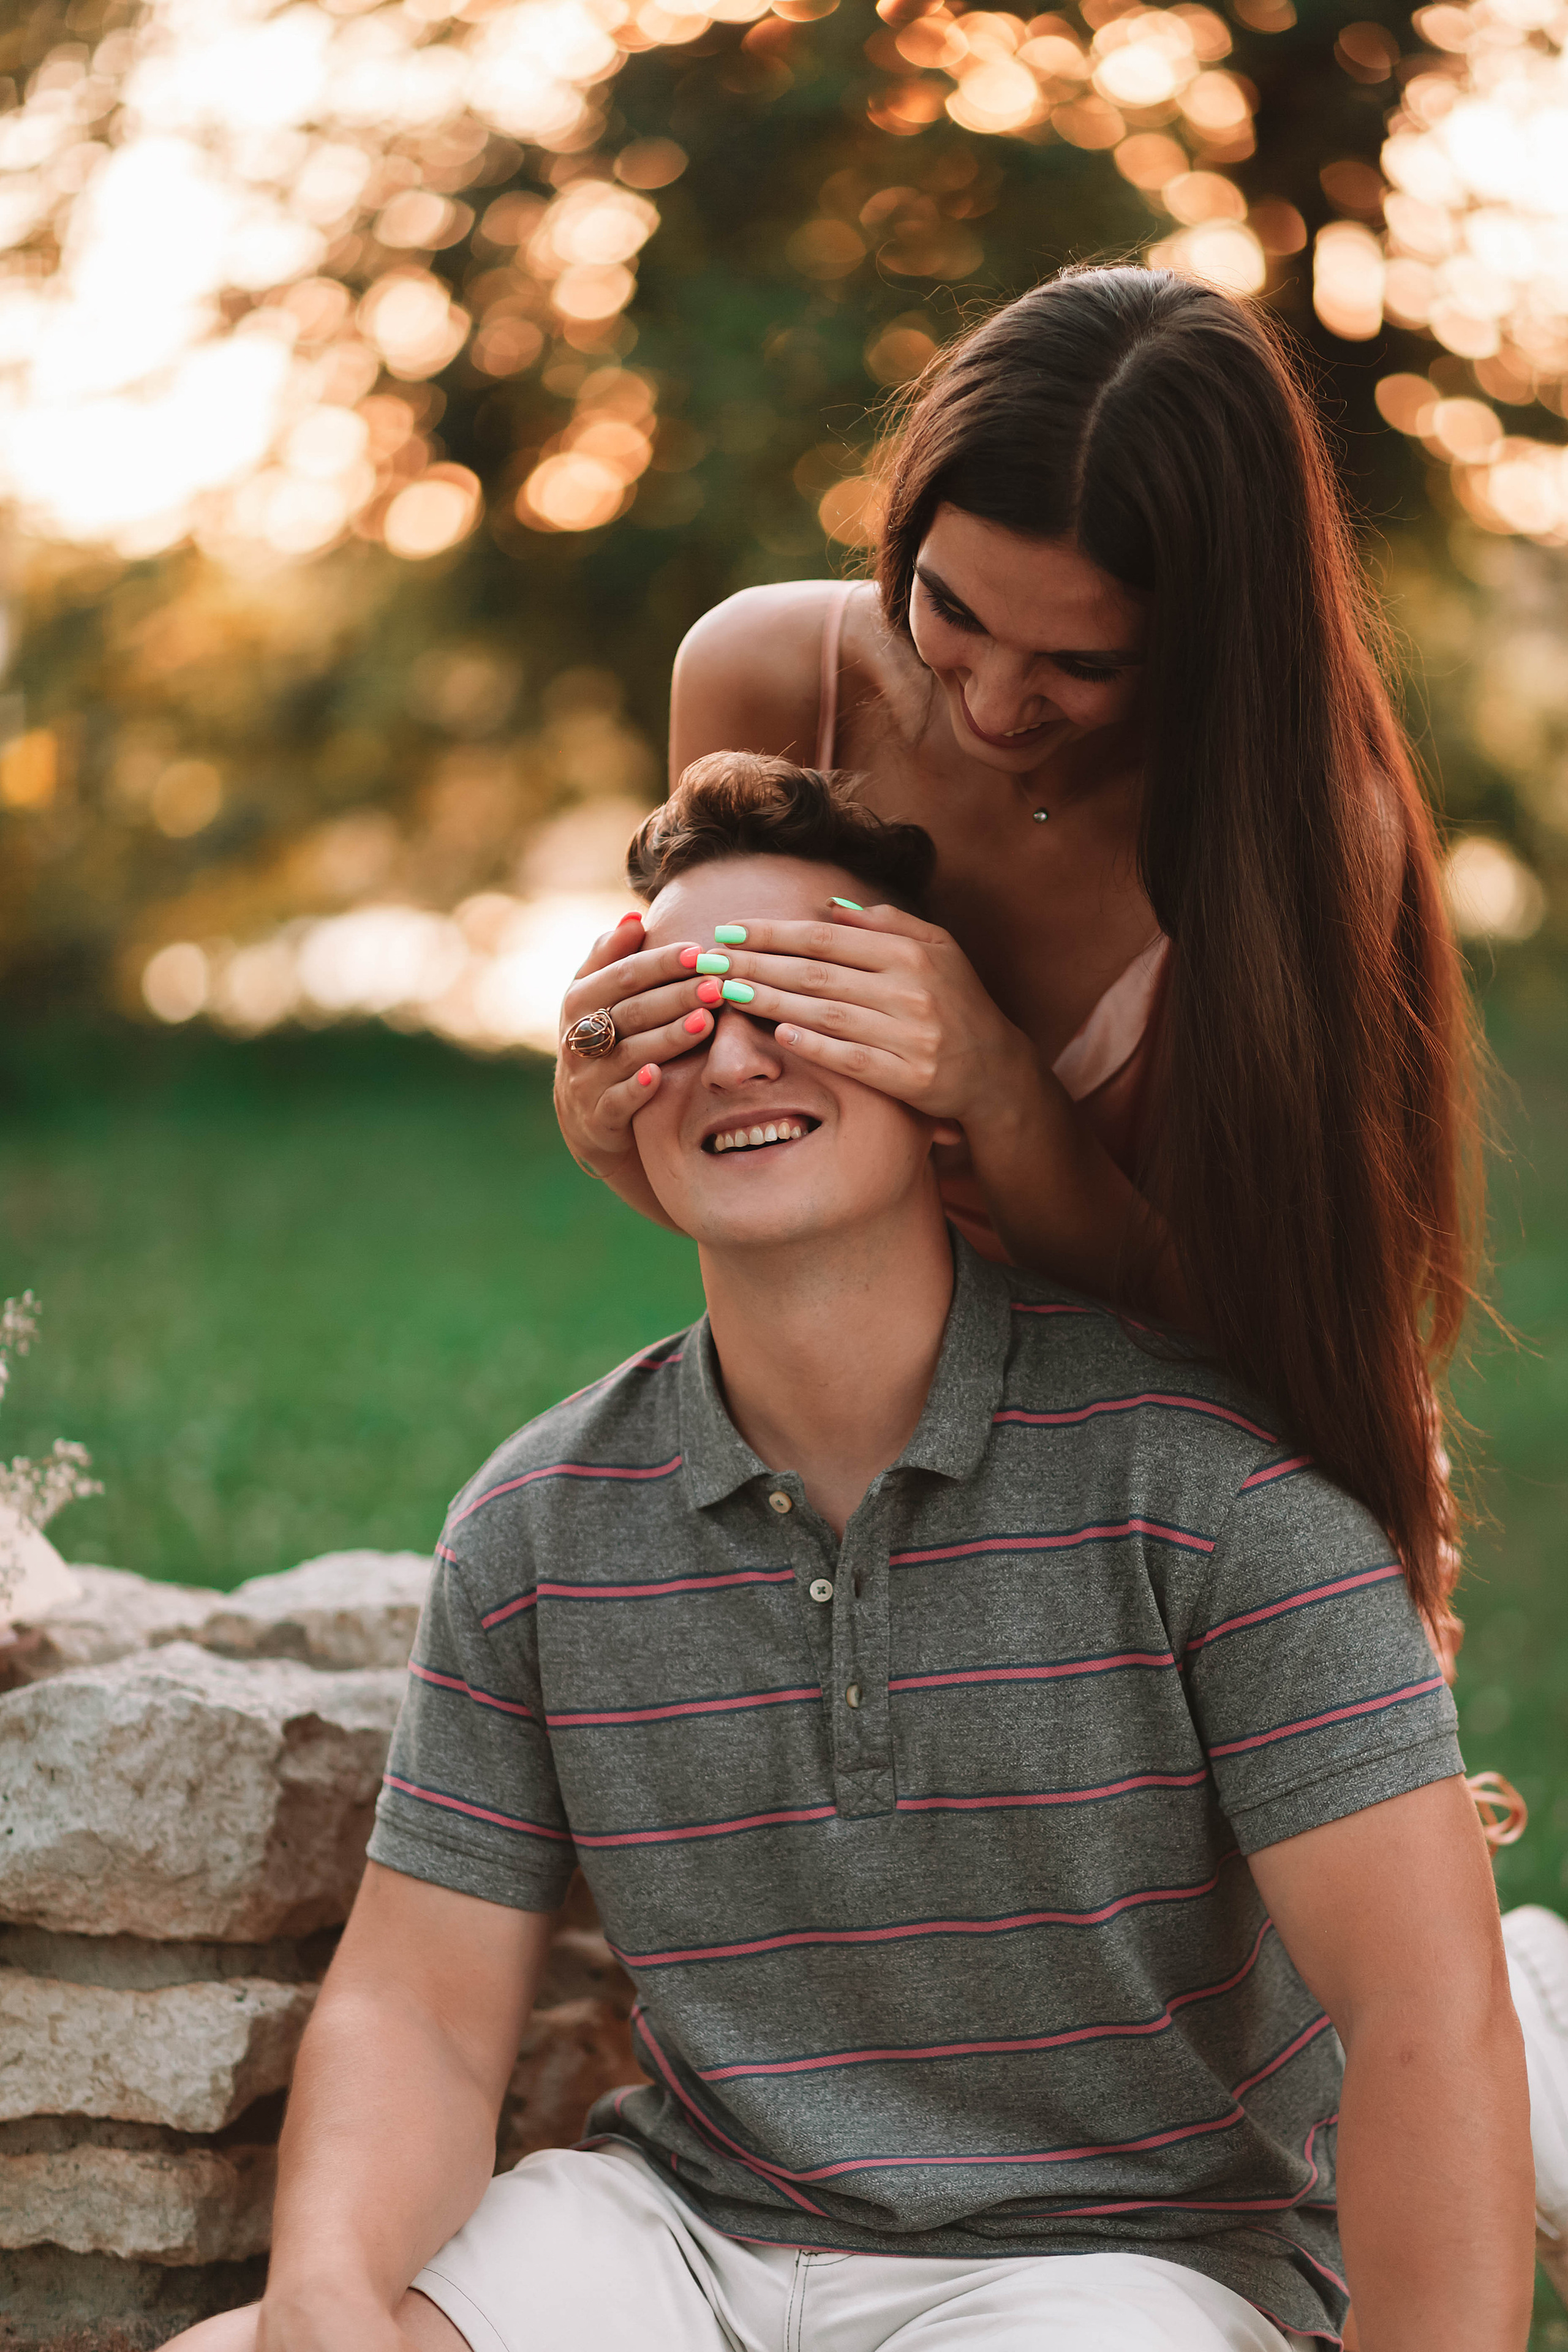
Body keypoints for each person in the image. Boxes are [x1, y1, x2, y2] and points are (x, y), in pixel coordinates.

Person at [175, 759, 1530, 2352]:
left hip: (1113, 2276)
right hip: (675, 2235)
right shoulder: (538, 1526)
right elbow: (418, 2010)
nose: (731, 1049)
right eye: (670, 1007)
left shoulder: (1220, 1497)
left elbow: (1426, 2018)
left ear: (933, 1050)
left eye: (805, 991)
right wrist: (323, 2296)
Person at [552, 265, 1475, 1678]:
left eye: (1081, 663)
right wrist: (608, 1118)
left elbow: (1242, 1317)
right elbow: (749, 1160)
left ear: (1201, 629)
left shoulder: (1301, 826)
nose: (990, 701)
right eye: (949, 609)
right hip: (867, 1427)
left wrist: (991, 1076)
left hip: (1199, 1463)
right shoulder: (762, 679)